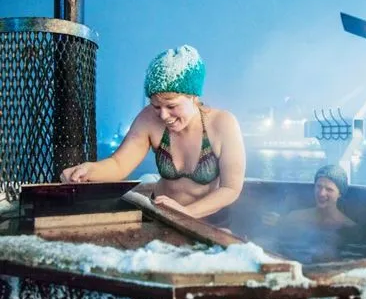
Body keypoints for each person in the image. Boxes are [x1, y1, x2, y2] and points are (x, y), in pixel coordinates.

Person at [61, 45, 246, 227]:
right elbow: (119, 164)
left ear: (193, 96)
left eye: (171, 106)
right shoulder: (148, 118)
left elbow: (230, 188)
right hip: (161, 215)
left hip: (209, 220)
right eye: (156, 106)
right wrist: (89, 170)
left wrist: (187, 213)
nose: (163, 115)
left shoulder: (222, 124)